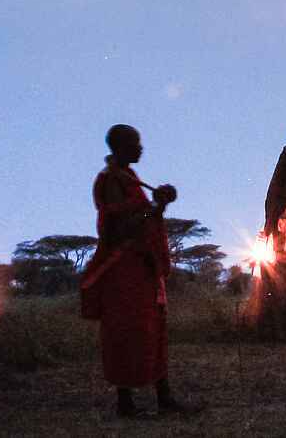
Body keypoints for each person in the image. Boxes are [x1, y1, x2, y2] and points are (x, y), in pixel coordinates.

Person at [83, 123, 194, 418]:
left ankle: (163, 398)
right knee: (129, 330)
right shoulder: (110, 180)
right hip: (124, 269)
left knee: (153, 327)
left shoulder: (128, 177)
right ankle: (126, 403)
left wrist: (159, 205)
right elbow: (121, 228)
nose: (141, 148)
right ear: (120, 148)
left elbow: (142, 219)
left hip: (142, 265)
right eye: (135, 143)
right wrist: (154, 206)